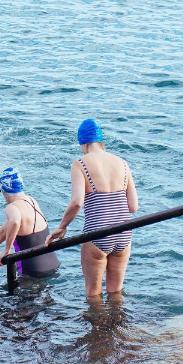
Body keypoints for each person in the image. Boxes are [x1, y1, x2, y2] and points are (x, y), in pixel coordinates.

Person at [47, 119, 138, 298]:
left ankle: (98, 326)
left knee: (93, 294)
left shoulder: (80, 164)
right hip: (124, 232)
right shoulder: (123, 163)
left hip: (98, 233)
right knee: (116, 290)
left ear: (83, 143)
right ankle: (117, 324)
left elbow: (77, 203)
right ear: (101, 140)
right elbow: (133, 206)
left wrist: (62, 227)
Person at [0, 167, 60, 276]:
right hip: (53, 266)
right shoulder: (32, 201)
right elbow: (4, 230)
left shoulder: (12, 207)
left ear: (3, 190)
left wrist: (6, 250)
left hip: (31, 273)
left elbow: (15, 221)